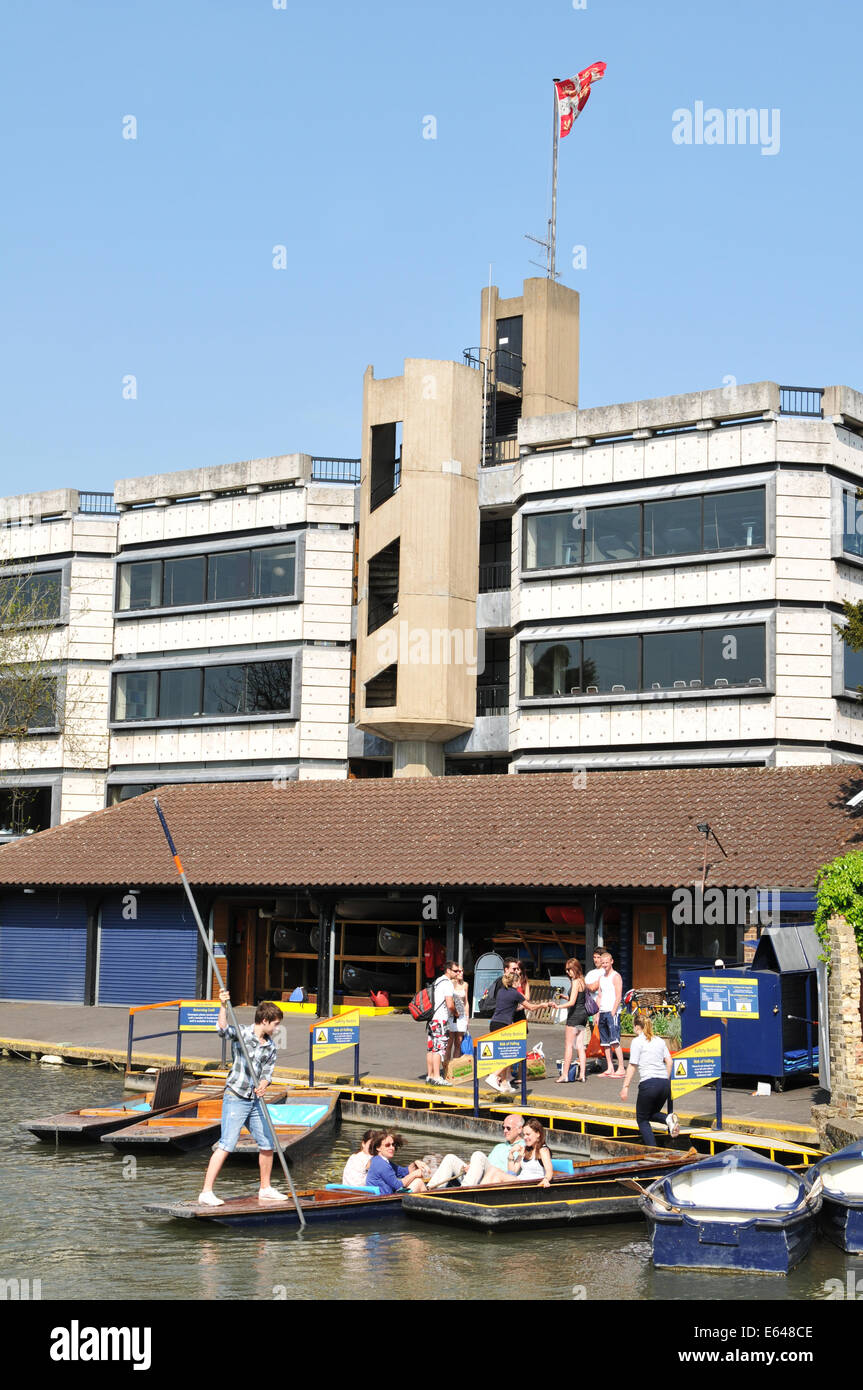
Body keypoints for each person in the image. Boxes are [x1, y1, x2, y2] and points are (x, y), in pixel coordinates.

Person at [197, 990, 285, 1207]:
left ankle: (265, 1188)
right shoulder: (242, 1033)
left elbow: (267, 1072)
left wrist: (265, 1083)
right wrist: (223, 1005)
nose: (276, 1029)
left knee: (267, 1143)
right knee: (227, 1144)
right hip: (236, 1096)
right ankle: (206, 1192)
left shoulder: (270, 1046)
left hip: (254, 1100)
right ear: (264, 1021)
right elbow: (221, 1030)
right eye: (275, 1024)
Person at [485, 962, 547, 1093]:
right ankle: (493, 1076)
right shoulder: (515, 994)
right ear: (515, 982)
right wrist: (544, 1004)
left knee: (500, 1055)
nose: (520, 983)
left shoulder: (502, 991)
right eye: (518, 981)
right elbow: (530, 1007)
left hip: (494, 1023)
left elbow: (510, 1006)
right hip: (504, 1025)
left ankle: (504, 1084)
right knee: (509, 1055)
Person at [619, 1010, 680, 1143]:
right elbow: (669, 1061)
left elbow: (632, 1065)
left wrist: (625, 1086)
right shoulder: (659, 1041)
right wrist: (665, 1079)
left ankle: (652, 1150)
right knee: (651, 1113)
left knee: (642, 1119)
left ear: (636, 1027)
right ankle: (668, 1119)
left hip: (649, 1084)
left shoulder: (637, 1041)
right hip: (664, 1083)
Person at [427, 1112, 526, 1189]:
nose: (504, 1131)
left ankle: (465, 1190)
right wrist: (471, 1167)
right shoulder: (499, 1146)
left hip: (497, 1178)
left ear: (519, 1129)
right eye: (503, 1127)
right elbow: (485, 1164)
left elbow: (512, 1173)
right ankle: (431, 1188)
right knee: (450, 1158)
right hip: (480, 1177)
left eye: (508, 1128)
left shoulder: (523, 1147)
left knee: (478, 1155)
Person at [426, 959, 460, 1086]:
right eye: (455, 971)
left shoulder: (438, 980)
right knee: (439, 1049)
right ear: (448, 970)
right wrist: (456, 1013)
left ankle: (429, 1075)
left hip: (432, 1019)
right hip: (440, 1020)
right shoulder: (447, 984)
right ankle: (436, 1077)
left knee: (431, 1048)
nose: (457, 973)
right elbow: (450, 1004)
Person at [556, 957, 588, 1084]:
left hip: (574, 1016)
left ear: (576, 968)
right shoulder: (582, 981)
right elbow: (577, 998)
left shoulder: (575, 982)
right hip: (583, 1016)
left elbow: (572, 1002)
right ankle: (582, 1074)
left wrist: (558, 1006)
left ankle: (564, 1075)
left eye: (570, 970)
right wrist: (565, 996)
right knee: (580, 1046)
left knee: (569, 1046)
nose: (568, 972)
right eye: (567, 970)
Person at [365, 1131, 428, 1195]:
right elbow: (397, 1185)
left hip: (386, 1194)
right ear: (378, 1148)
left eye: (393, 1145)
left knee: (417, 1181)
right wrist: (415, 1174)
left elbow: (404, 1171)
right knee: (418, 1182)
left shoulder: (380, 1160)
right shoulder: (381, 1164)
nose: (392, 1148)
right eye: (387, 1145)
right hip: (383, 1199)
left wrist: (416, 1163)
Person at [597, 949, 625, 1078]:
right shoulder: (601, 978)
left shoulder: (616, 976)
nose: (604, 965)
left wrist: (613, 1011)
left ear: (611, 961)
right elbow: (600, 995)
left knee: (614, 1041)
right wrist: (597, 1013)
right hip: (602, 1011)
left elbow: (619, 996)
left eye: (606, 962)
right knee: (605, 1042)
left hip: (612, 1012)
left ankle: (621, 1068)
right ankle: (610, 1067)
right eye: (603, 963)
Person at [443, 963, 470, 1074]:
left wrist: (467, 1017)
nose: (460, 973)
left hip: (461, 1015)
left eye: (462, 971)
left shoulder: (465, 985)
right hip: (451, 1015)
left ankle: (455, 1067)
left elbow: (466, 1002)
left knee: (458, 1042)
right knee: (449, 1042)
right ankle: (446, 1067)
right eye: (458, 971)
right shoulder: (450, 984)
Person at [513, 1119, 554, 1186]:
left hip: (532, 1184)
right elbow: (513, 1171)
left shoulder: (543, 1151)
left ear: (538, 1134)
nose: (525, 1137)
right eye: (524, 1135)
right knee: (495, 1174)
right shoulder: (524, 1149)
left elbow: (549, 1172)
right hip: (520, 1182)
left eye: (528, 1134)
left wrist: (545, 1180)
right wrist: (511, 1154)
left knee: (496, 1174)